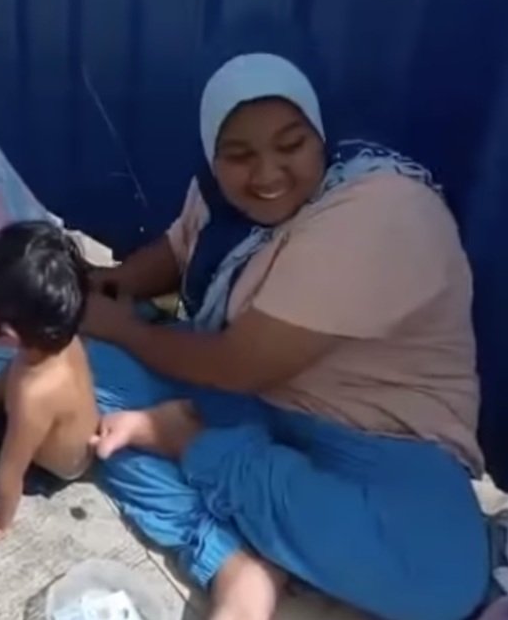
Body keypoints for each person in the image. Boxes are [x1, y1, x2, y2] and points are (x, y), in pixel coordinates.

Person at [82, 51, 490, 620]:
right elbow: (180, 248)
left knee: (443, 581)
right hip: (254, 406)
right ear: (212, 152)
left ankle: (185, 443)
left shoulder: (379, 210)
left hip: (379, 443)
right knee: (72, 368)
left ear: (321, 134)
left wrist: (125, 329)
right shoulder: (217, 193)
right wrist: (113, 284)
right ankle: (233, 559)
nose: (268, 174)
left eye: (291, 145)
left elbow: (239, 365)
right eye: (239, 155)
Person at [0, 220, 100, 543]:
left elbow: (10, 471)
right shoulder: (57, 338)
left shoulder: (34, 396)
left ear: (7, 333)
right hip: (50, 435)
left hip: (45, 472)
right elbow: (14, 371)